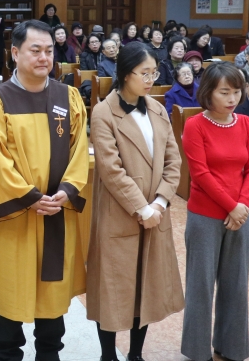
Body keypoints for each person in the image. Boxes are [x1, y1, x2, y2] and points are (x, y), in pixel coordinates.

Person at [0, 20, 88, 361]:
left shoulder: (67, 96)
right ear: (15, 53)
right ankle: (8, 353)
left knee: (52, 292)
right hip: (17, 214)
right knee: (13, 288)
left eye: (49, 51)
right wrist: (30, 198)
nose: (44, 57)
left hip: (56, 209)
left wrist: (67, 190)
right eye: (35, 50)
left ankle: (49, 354)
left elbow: (79, 150)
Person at [88, 42, 184, 361]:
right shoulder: (103, 112)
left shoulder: (157, 108)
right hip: (121, 213)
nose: (151, 80)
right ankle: (108, 355)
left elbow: (173, 160)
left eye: (154, 73)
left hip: (155, 212)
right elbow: (110, 169)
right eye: (145, 73)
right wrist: (141, 207)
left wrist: (159, 203)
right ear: (125, 74)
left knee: (146, 285)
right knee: (114, 287)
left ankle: (136, 354)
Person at [181, 62, 249, 361]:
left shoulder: (246, 123)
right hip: (205, 216)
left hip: (240, 215)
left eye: (236, 92)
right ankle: (197, 350)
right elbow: (200, 174)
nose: (232, 98)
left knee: (236, 285)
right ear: (208, 93)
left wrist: (242, 206)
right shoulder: (195, 125)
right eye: (224, 92)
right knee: (201, 286)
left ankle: (232, 347)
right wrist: (232, 206)